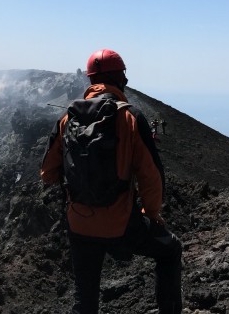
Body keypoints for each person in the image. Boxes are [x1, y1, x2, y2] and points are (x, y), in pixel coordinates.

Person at [39, 48, 184, 313]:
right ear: (119, 79)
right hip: (122, 224)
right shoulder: (130, 118)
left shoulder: (67, 119)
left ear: (91, 80)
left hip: (79, 223)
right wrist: (151, 213)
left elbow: (47, 173)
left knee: (85, 297)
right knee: (171, 250)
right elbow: (151, 175)